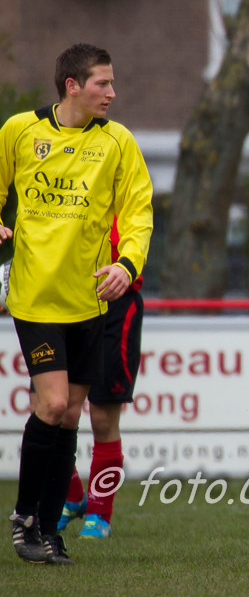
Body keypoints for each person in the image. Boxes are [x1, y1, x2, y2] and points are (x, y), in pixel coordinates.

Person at [1, 43, 153, 565]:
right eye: (102, 84)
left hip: (91, 303)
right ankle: (24, 519)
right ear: (72, 85)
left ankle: (49, 530)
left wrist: (126, 264)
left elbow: (139, 212)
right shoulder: (20, 131)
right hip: (36, 298)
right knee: (50, 404)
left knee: (69, 416)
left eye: (112, 83)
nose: (112, 93)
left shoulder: (118, 142)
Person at [56, 218, 144, 540]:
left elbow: (138, 232)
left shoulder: (127, 191)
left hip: (115, 303)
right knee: (55, 410)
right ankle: (71, 497)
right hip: (62, 301)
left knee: (104, 418)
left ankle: (99, 515)